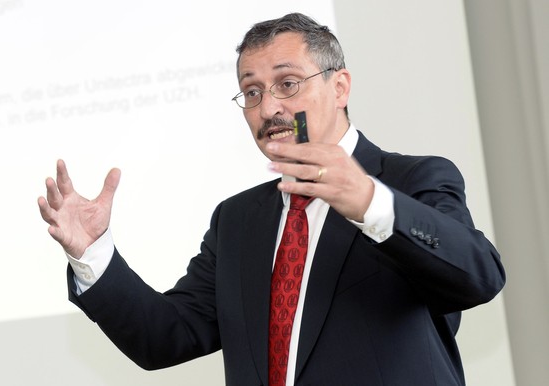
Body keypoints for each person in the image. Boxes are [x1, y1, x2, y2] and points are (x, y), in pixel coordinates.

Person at [38, 12, 505, 386]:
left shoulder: (410, 179)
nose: (269, 109)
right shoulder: (238, 219)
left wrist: (369, 202)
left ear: (340, 87)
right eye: (252, 92)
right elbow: (166, 337)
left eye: (288, 84)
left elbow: (478, 276)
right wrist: (93, 254)